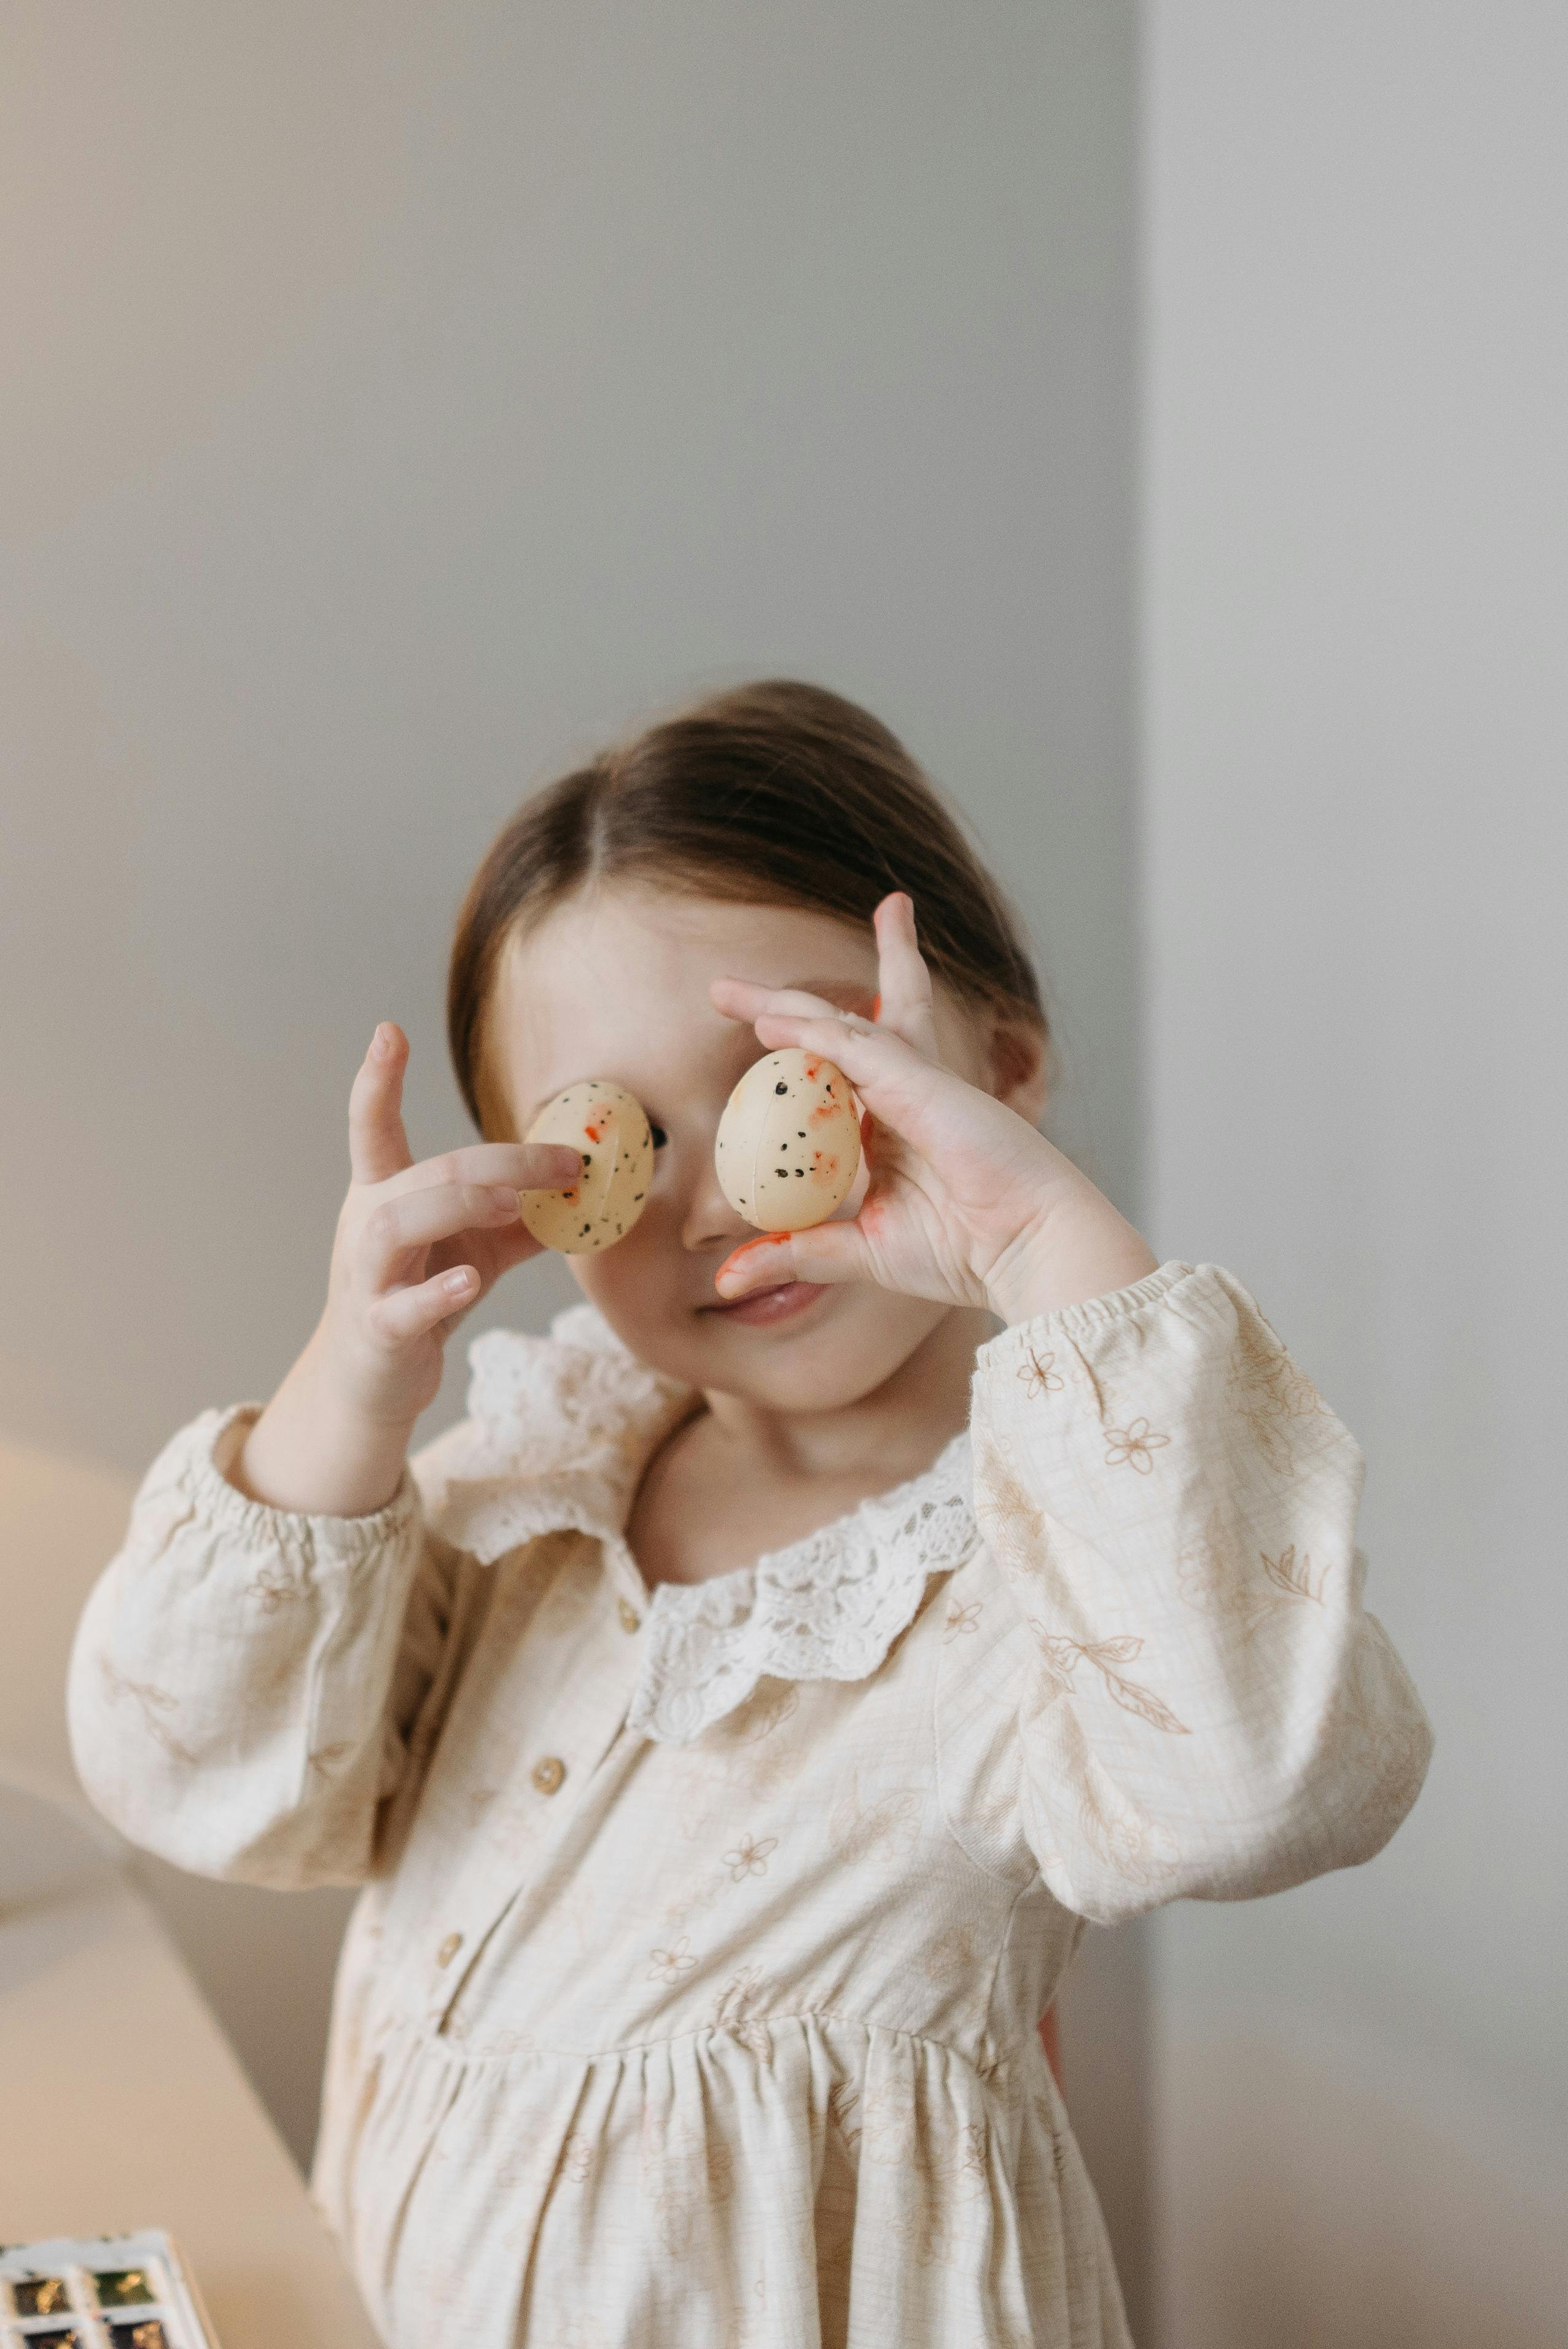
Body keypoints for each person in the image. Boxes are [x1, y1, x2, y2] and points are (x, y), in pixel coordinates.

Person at [67, 679, 1432, 2348]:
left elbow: (1252, 1791)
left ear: (993, 1061)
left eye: (797, 1073)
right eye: (614, 1139)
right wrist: (351, 1383)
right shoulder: (525, 1494)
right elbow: (191, 1783)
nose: (717, 1190)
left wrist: (1038, 1244)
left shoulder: (1058, 1547)